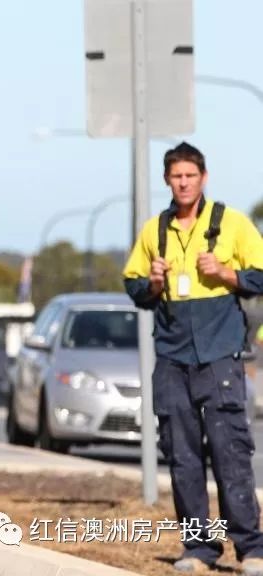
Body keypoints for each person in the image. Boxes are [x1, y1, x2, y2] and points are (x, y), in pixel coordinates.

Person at [123, 141, 263, 575]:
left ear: (203, 178)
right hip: (172, 356)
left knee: (229, 451)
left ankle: (251, 547)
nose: (183, 183)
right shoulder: (155, 230)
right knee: (182, 454)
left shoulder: (232, 223)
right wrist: (153, 283)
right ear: (168, 180)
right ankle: (199, 549)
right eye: (176, 176)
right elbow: (134, 288)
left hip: (219, 354)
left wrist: (227, 275)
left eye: (190, 175)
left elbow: (259, 275)